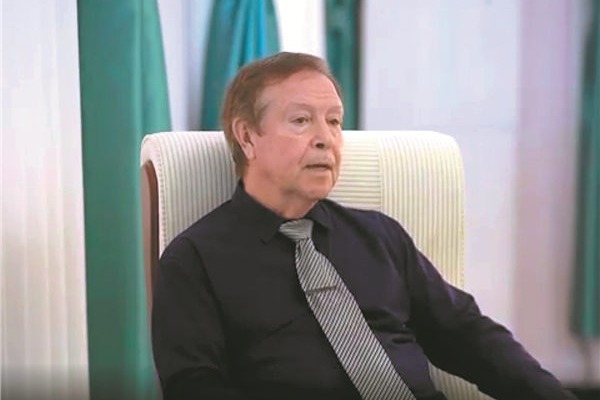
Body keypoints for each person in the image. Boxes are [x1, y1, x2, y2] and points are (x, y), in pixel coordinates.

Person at [151, 52, 576, 400]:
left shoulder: (379, 236)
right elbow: (194, 385)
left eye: (334, 121)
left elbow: (468, 335)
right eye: (301, 120)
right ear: (247, 137)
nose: (326, 138)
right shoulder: (195, 259)